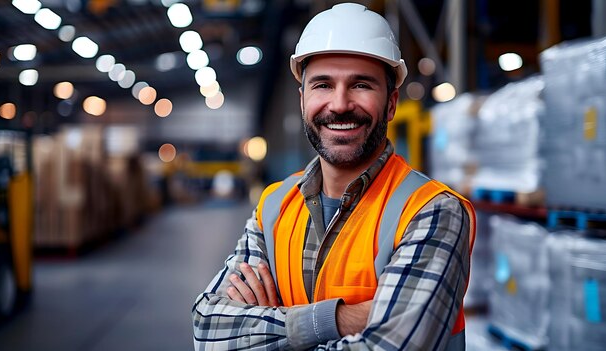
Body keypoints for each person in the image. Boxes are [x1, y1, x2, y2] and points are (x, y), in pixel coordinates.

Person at [192, 3, 476, 350]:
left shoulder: (432, 212)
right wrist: (341, 319)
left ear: (391, 103)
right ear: (302, 99)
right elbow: (208, 331)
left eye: (361, 85)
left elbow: (389, 346)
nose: (340, 104)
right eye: (323, 85)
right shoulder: (274, 206)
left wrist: (270, 326)